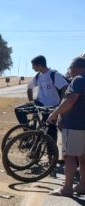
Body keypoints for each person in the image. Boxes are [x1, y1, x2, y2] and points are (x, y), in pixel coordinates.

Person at [47, 57, 85, 197]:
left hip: (74, 126)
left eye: (70, 68)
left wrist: (54, 114)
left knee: (69, 157)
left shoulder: (78, 80)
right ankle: (82, 185)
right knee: (82, 158)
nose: (70, 71)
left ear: (75, 67)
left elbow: (70, 100)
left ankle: (67, 188)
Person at [16, 55, 69, 140]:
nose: (32, 68)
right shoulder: (38, 75)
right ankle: (29, 134)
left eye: (33, 66)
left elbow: (65, 87)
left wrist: (60, 105)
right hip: (39, 103)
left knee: (50, 131)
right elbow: (29, 88)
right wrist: (31, 101)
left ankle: (51, 148)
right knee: (19, 110)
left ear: (39, 65)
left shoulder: (54, 74)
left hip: (51, 106)